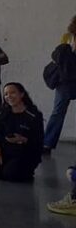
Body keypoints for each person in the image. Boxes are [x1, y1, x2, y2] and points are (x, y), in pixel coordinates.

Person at [0, 82, 43, 183]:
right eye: (6, 94)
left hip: (25, 152)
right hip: (6, 150)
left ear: (22, 94)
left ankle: (24, 170)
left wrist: (24, 139)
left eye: (13, 93)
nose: (9, 96)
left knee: (10, 174)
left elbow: (39, 140)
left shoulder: (33, 115)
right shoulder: (1, 113)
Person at [43, 16, 76, 155]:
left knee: (58, 111)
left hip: (68, 78)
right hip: (65, 80)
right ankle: (47, 143)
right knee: (58, 112)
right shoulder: (67, 37)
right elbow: (58, 56)